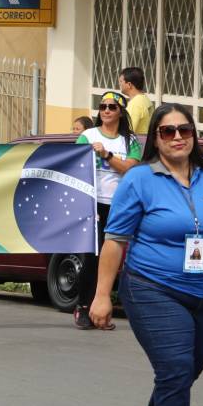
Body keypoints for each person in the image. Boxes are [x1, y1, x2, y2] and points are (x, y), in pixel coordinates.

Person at [90, 103, 203, 406]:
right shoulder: (139, 179)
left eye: (184, 130)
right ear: (156, 139)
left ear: (193, 135)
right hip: (153, 287)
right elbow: (115, 240)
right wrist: (102, 295)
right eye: (167, 131)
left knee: (186, 372)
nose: (177, 137)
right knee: (175, 370)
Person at [73, 90, 142, 329]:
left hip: (121, 205)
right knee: (92, 259)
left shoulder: (129, 141)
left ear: (121, 112)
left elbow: (130, 169)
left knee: (118, 259)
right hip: (94, 204)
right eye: (102, 107)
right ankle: (83, 307)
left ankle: (106, 308)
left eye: (112, 107)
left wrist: (106, 154)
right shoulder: (87, 135)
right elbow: (75, 166)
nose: (106, 111)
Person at [120, 66, 155, 135]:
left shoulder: (135, 104)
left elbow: (127, 132)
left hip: (137, 144)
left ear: (129, 84)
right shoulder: (145, 99)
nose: (120, 84)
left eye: (121, 81)